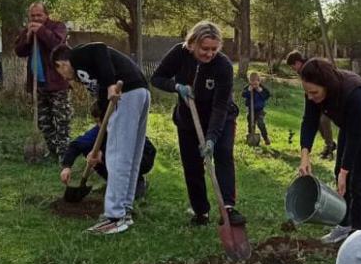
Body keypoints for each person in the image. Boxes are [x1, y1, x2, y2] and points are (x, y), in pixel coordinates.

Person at [150, 20, 246, 227]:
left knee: (222, 154)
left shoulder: (223, 66)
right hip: (188, 119)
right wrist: (176, 86)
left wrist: (211, 138)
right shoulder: (179, 54)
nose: (209, 54)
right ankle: (200, 211)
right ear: (192, 43)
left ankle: (227, 208)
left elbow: (220, 106)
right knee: (192, 164)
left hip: (221, 117)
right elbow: (157, 78)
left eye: (214, 49)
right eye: (204, 49)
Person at [52, 42, 150, 235]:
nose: (65, 78)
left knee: (118, 156)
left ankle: (114, 217)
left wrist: (112, 84)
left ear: (61, 64)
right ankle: (124, 211)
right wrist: (98, 148)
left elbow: (99, 48)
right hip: (139, 92)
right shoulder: (89, 73)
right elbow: (105, 111)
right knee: (129, 155)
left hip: (127, 92)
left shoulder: (77, 57)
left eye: (60, 73)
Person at [297, 58, 361, 244]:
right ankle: (344, 225)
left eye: (314, 92)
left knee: (358, 183)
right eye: (307, 92)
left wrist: (345, 170)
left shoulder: (353, 91)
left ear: (327, 85)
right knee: (339, 175)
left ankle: (358, 238)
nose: (310, 97)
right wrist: (305, 156)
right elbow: (309, 121)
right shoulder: (313, 92)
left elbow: (357, 134)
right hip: (350, 128)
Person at [59, 102, 156, 200]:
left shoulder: (129, 130)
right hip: (115, 162)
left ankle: (136, 182)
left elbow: (146, 158)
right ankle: (114, 181)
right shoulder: (99, 129)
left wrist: (105, 156)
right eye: (97, 121)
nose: (100, 125)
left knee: (131, 196)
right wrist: (66, 167)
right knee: (87, 146)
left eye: (102, 121)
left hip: (136, 164)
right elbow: (77, 144)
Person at [14, 2, 71, 163]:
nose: (36, 19)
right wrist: (28, 38)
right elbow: (19, 51)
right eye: (33, 16)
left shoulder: (57, 27)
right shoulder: (28, 30)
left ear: (46, 15)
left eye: (39, 15)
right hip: (38, 83)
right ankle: (53, 152)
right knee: (44, 121)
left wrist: (41, 31)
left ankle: (64, 155)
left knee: (61, 120)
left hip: (57, 82)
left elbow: (58, 45)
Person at [286, 50, 336, 159]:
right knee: (316, 121)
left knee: (324, 120)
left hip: (330, 99)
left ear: (298, 62)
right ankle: (330, 143)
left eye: (293, 66)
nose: (293, 69)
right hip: (316, 99)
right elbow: (309, 119)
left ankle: (330, 147)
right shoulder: (302, 72)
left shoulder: (313, 68)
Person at [241, 71, 271, 145]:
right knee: (251, 124)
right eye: (252, 83)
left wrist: (260, 91)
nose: (254, 85)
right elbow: (243, 94)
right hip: (251, 110)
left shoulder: (262, 88)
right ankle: (251, 137)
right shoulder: (248, 87)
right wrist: (248, 91)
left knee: (260, 123)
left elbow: (267, 96)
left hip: (260, 110)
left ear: (259, 81)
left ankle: (265, 138)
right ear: (249, 81)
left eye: (256, 84)